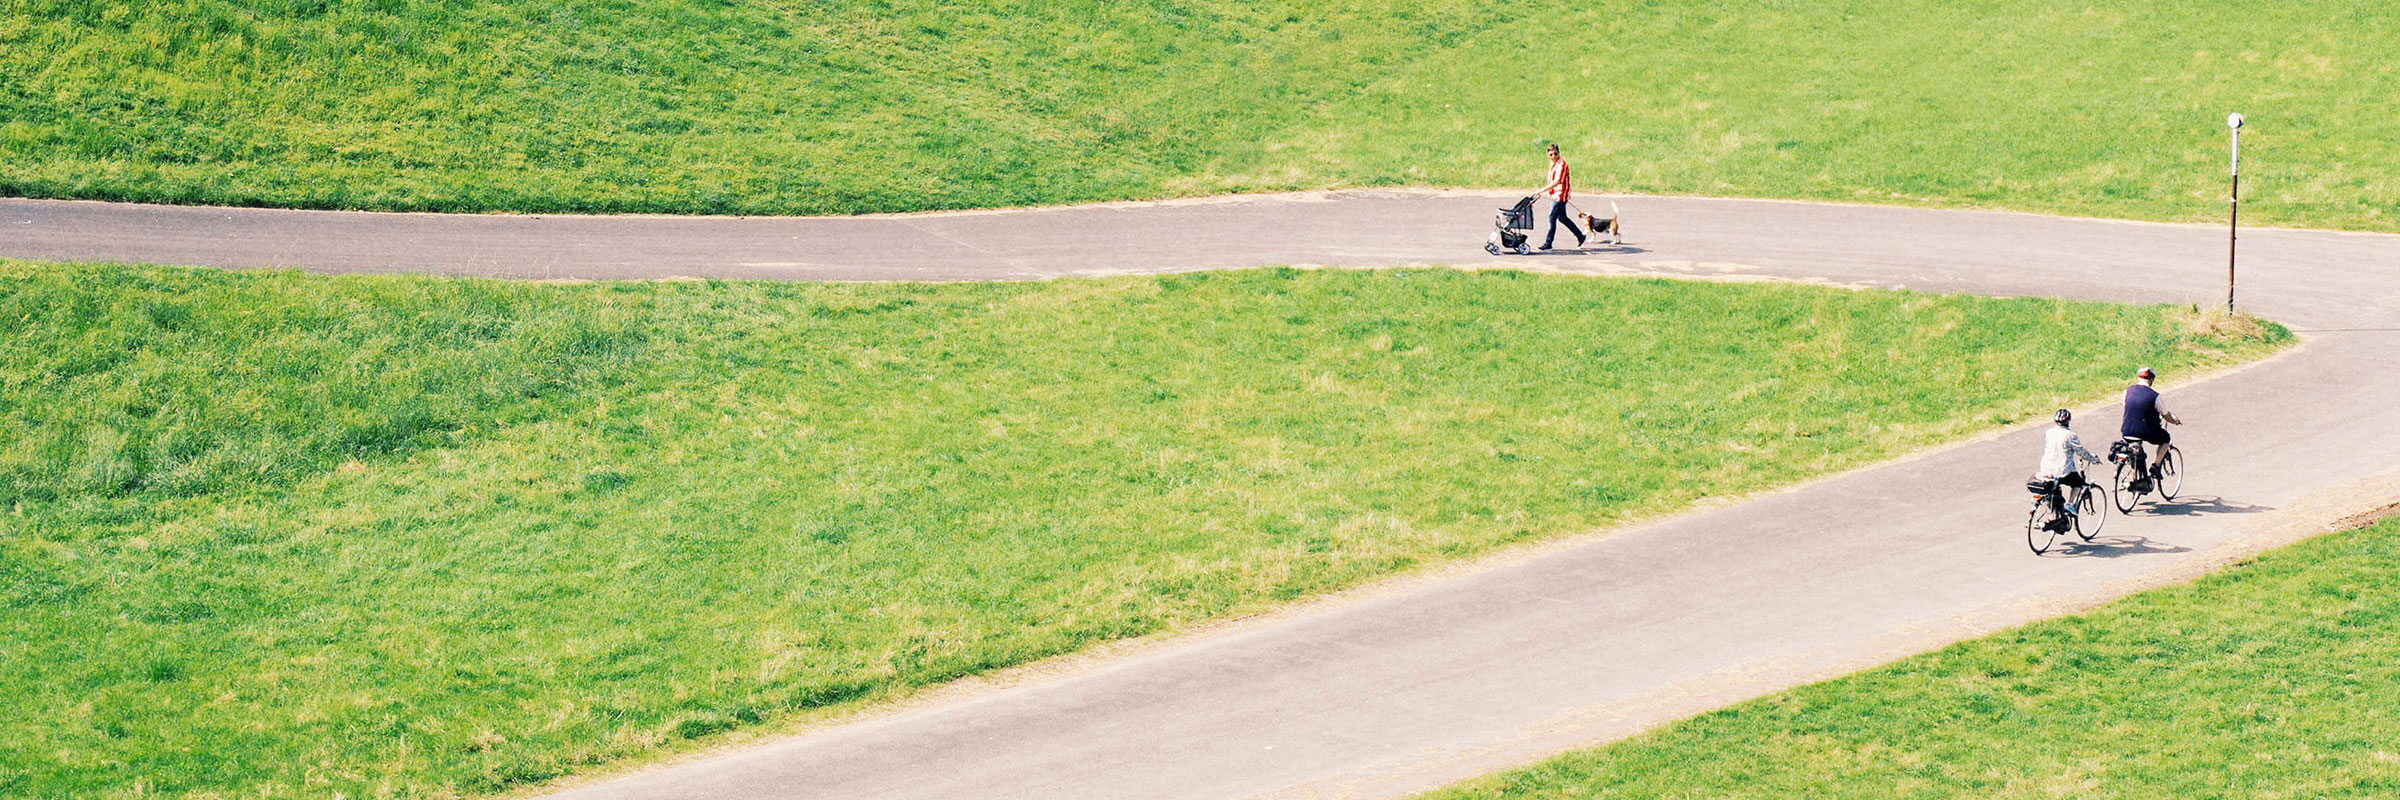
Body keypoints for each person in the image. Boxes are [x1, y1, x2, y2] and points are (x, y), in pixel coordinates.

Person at [2118, 366, 2182, 489]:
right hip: (2146, 431)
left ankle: (2133, 480)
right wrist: (2174, 421)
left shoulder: (2128, 391)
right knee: (2165, 438)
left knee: (2134, 451)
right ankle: (2156, 466)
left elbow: (2126, 406)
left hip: (2127, 430)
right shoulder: (2154, 396)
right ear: (2151, 379)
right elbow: (2166, 415)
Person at [2035, 408, 2102, 521]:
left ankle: (2053, 517)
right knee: (2079, 483)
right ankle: (2070, 504)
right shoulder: (2070, 435)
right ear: (2068, 421)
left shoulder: (2049, 433)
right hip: (2063, 470)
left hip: (2046, 468)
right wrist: (2093, 458)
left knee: (2053, 491)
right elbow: (2081, 451)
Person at [1534, 143, 1585, 250]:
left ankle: (1548, 243)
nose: (1553, 156)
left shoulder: (1562, 165)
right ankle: (1580, 236)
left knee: (1551, 217)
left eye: (1555, 154)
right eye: (1551, 154)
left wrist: (1542, 190)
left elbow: (1557, 181)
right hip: (1555, 194)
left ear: (1559, 153)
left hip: (1560, 195)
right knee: (1562, 218)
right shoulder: (1552, 163)